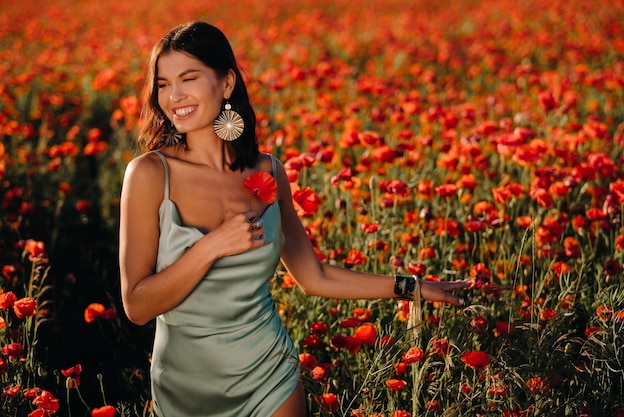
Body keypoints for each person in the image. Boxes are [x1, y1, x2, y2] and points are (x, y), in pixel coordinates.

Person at [118, 21, 470, 417]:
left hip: (268, 375)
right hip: (183, 388)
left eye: (188, 78)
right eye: (163, 83)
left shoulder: (267, 171)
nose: (173, 95)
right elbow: (137, 305)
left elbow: (313, 277)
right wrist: (212, 246)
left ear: (227, 82)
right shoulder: (149, 174)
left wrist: (413, 287)